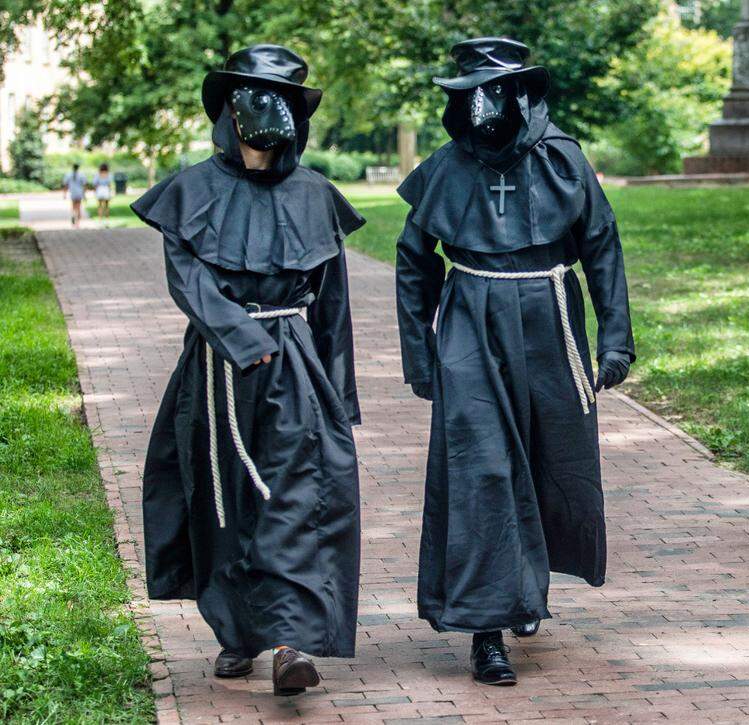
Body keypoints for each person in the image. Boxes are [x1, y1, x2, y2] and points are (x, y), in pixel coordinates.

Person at [395, 37, 634, 685]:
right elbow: (414, 260)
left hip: (551, 320)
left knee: (550, 458)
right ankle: (488, 628)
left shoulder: (562, 161)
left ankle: (523, 585)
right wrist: (420, 353)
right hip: (471, 322)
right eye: (470, 93)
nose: (482, 106)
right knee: (484, 471)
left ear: (521, 94)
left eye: (493, 91)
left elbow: (603, 248)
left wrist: (616, 340)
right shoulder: (446, 167)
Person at [130, 44, 365, 696]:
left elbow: (334, 304)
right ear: (231, 111)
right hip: (217, 365)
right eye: (254, 98)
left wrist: (339, 395)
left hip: (295, 360)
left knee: (296, 495)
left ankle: (291, 641)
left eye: (280, 99)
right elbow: (188, 279)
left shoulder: (316, 194)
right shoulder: (193, 190)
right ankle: (238, 630)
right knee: (227, 500)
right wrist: (239, 337)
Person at [62, 163, 86, 227]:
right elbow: (84, 185)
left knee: (73, 206)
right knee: (78, 207)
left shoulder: (68, 175)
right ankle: (77, 223)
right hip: (79, 192)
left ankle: (73, 215)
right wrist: (84, 195)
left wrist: (64, 193)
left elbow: (65, 185)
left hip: (72, 192)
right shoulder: (81, 175)